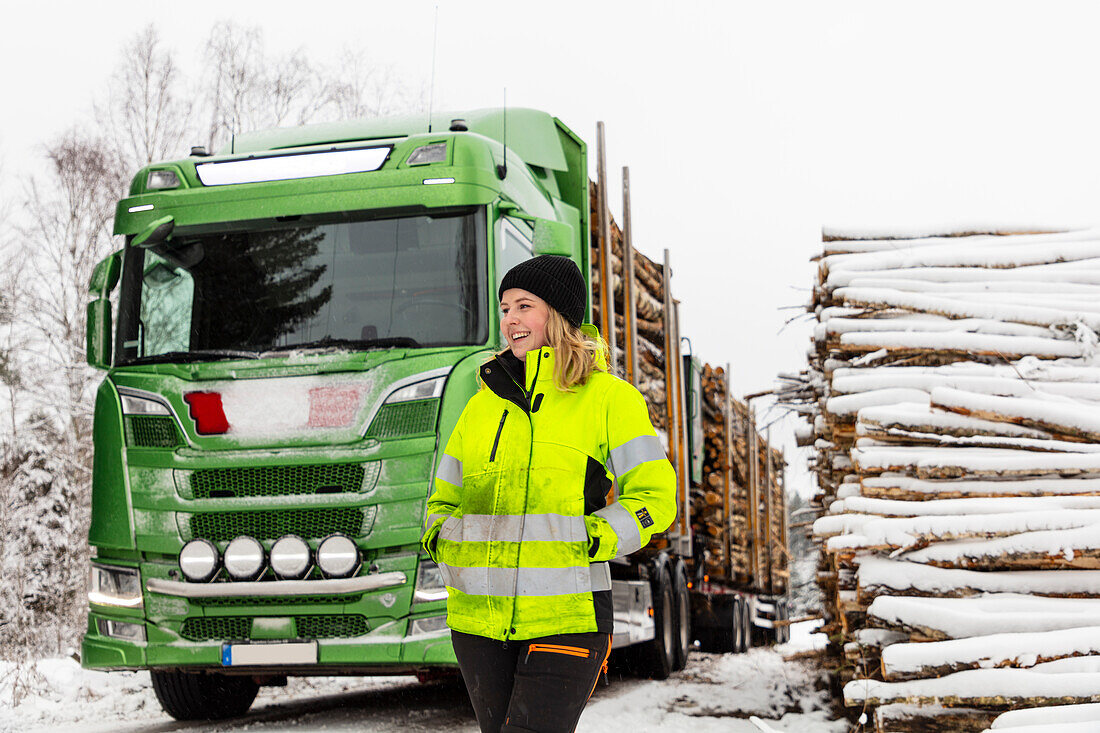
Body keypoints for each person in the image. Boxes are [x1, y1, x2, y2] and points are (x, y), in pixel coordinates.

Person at [421, 255, 677, 733]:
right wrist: (442, 539)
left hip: (568, 614)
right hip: (478, 625)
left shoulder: (607, 399)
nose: (510, 320)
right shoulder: (480, 406)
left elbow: (656, 496)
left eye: (524, 305)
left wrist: (594, 538)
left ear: (558, 315)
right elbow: (443, 501)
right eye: (504, 308)